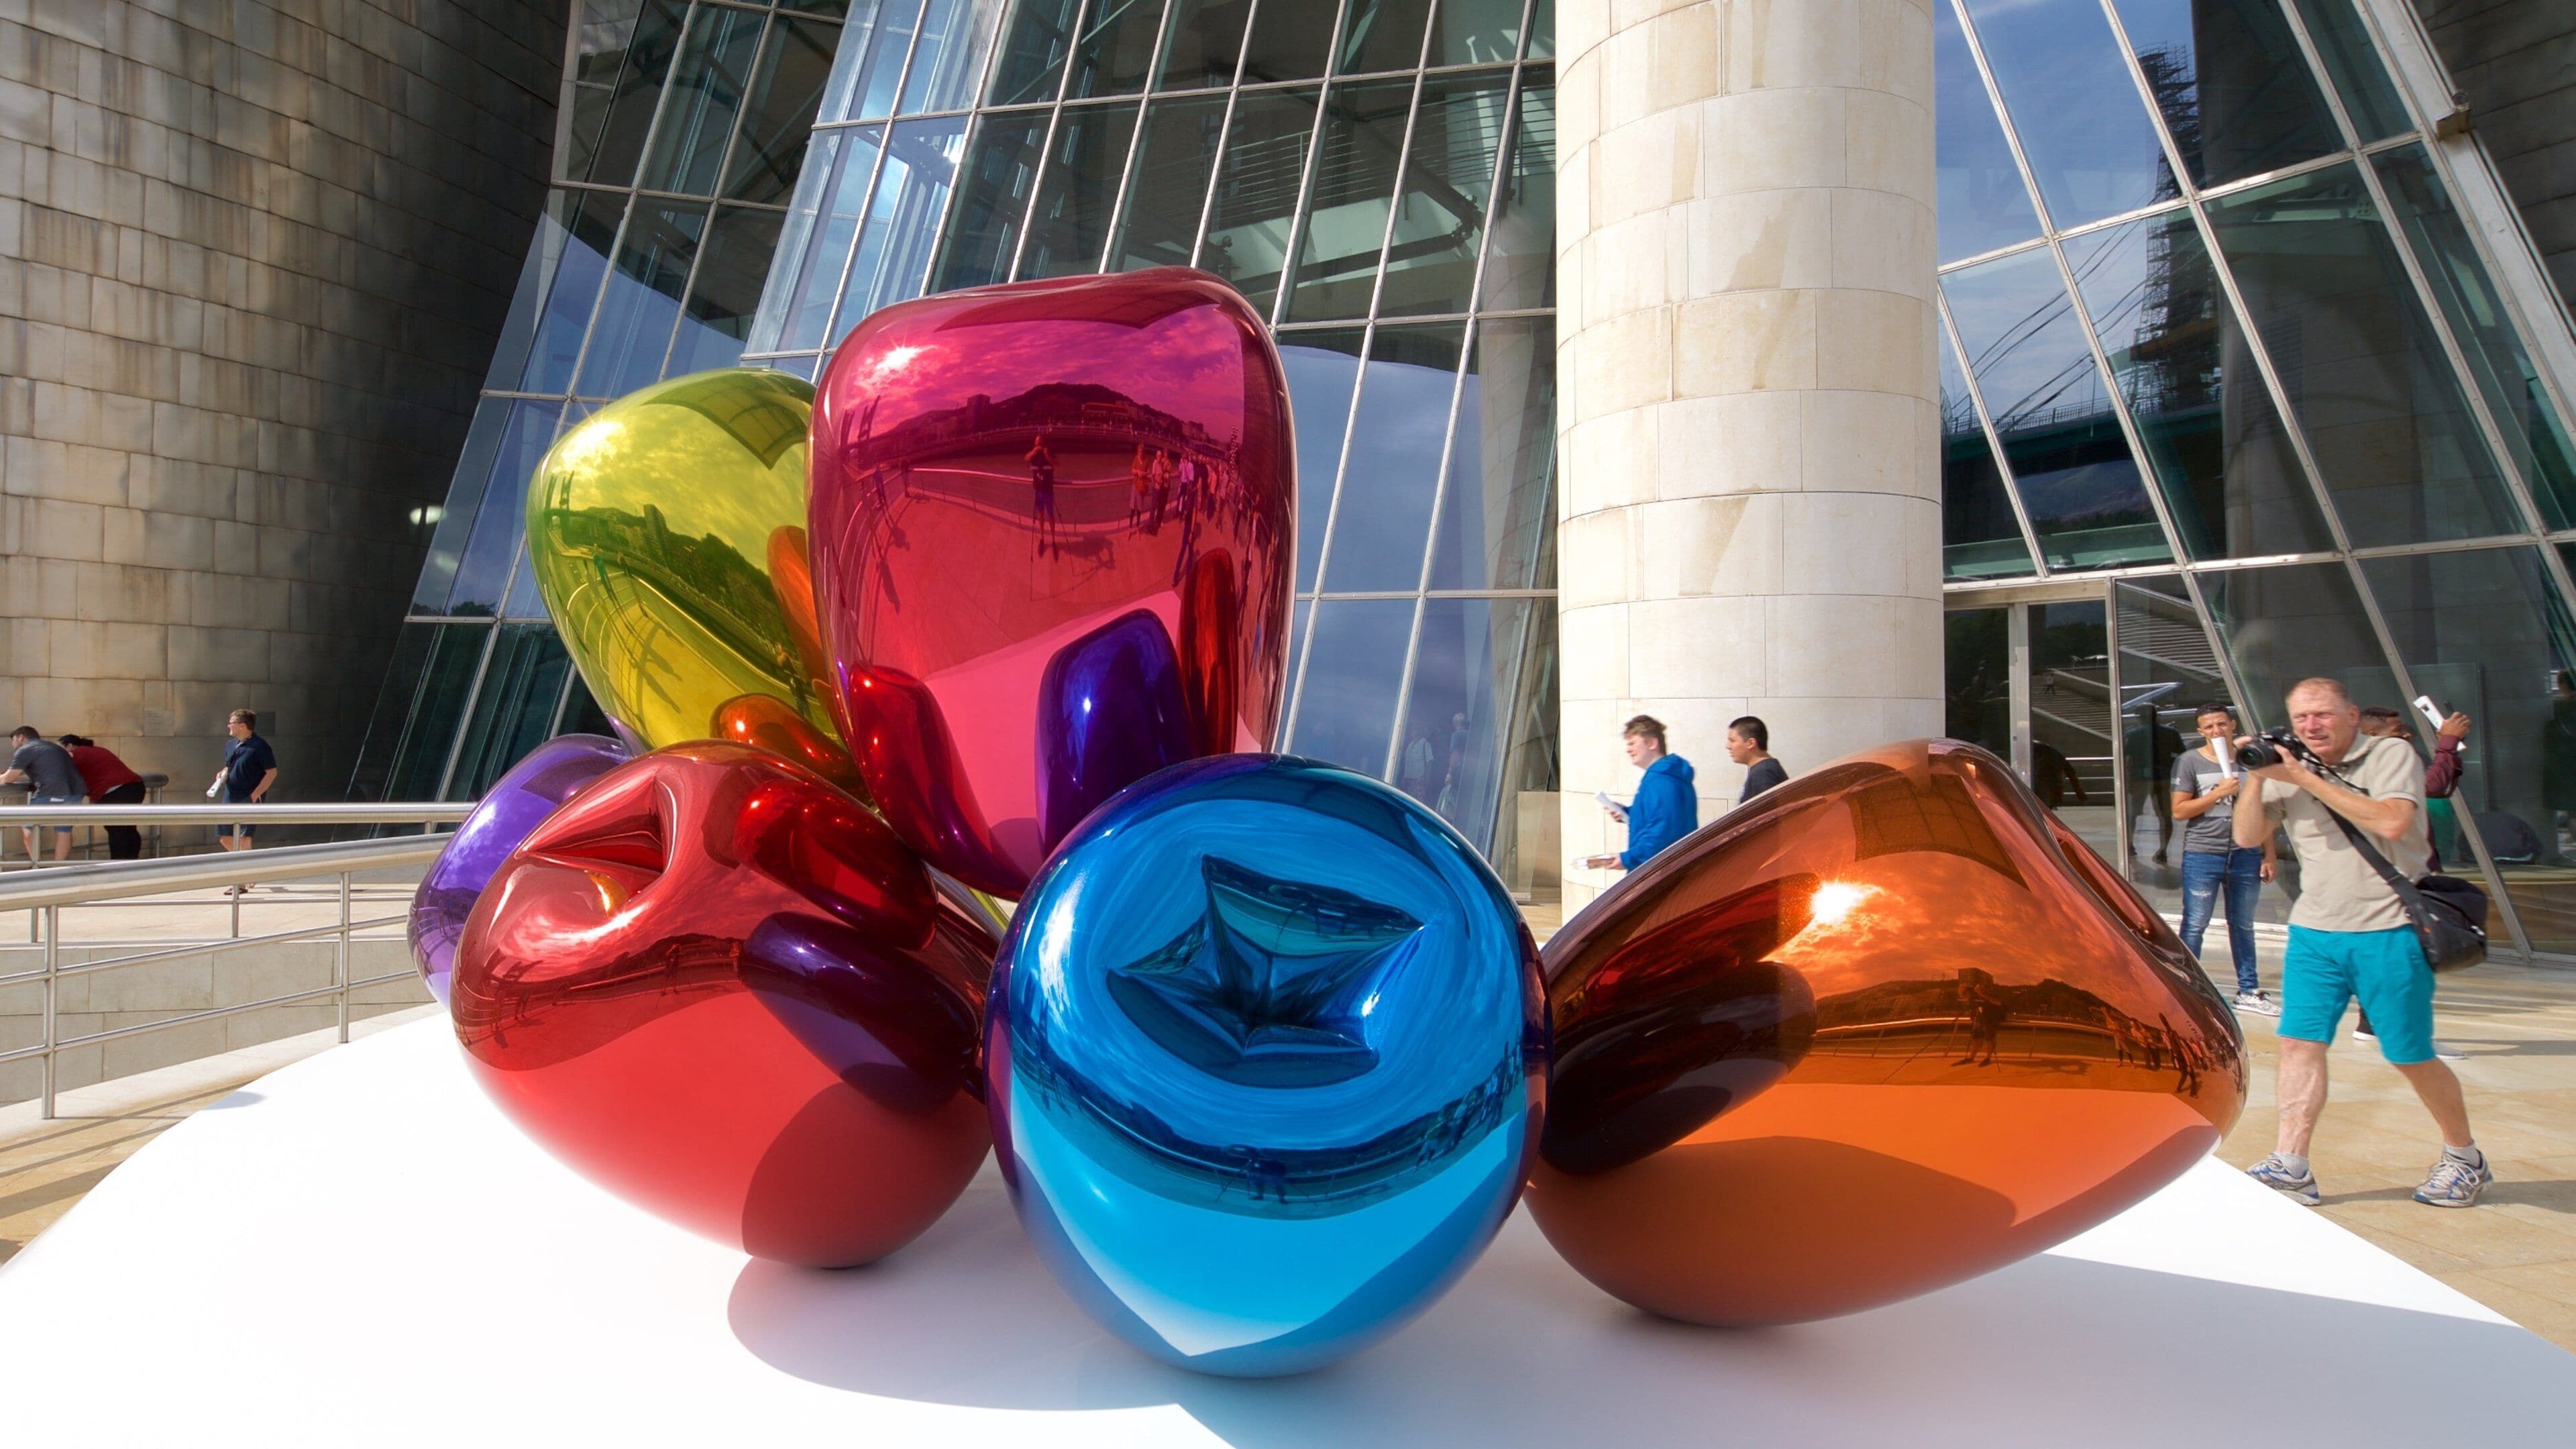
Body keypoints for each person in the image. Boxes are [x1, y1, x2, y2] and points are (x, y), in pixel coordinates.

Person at [2237, 678, 2489, 1210]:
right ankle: (2292, 1164)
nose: (2312, 726)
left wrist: (2302, 775)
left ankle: (2464, 1156)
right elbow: (2244, 836)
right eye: (2302, 717)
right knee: (2298, 1045)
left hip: (2389, 929)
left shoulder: (2390, 753)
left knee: (2408, 1053)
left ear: (2352, 715)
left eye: (2323, 715)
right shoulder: (2288, 764)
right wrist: (2256, 777)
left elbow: (2395, 821)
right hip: (2314, 932)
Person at [2169, 704, 2279, 1017]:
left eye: (2221, 724)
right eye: (2209, 727)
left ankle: (2248, 990)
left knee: (2243, 925)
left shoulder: (2252, 760)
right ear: (2201, 731)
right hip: (2203, 853)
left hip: (2246, 855)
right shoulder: (2189, 761)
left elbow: (2265, 811)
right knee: (2195, 924)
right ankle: (2187, 988)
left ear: (2233, 725)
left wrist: (2268, 854)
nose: (2217, 731)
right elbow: (2179, 811)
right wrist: (2218, 793)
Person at [1580, 715, 1697, 872]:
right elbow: (1660, 820)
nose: (1628, 749)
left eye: (1633, 743)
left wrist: (1628, 859)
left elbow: (1662, 832)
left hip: (1660, 874)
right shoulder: (1664, 777)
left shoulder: (1661, 781)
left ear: (1652, 744)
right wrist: (1628, 813)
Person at [2, 727, 86, 863]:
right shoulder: (52, 747)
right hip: (75, 792)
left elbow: (9, 778)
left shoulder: (25, 749)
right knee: (64, 829)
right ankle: (57, 869)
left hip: (52, 792)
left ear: (21, 737)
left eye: (13, 740)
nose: (13, 745)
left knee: (29, 826)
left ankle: (37, 864)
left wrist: (3, 777)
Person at [59, 735, 146, 860]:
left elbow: (61, 773)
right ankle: (132, 862)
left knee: (116, 829)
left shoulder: (75, 754)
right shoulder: (97, 750)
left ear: (70, 746)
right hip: (135, 787)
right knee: (129, 828)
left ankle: (118, 865)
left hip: (114, 791)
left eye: (60, 748)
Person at [211, 710, 278, 867]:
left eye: (232, 723)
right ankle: (250, 866)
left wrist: (255, 796)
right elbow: (231, 766)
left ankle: (241, 878)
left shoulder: (260, 746)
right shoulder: (231, 745)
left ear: (242, 726)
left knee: (243, 837)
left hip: (249, 797)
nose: (228, 726)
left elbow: (272, 773)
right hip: (230, 796)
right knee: (225, 837)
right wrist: (224, 772)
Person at [1727, 716, 1786, 803]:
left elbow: (1768, 814)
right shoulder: (1764, 770)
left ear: (1751, 743)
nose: (1728, 746)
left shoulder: (1763, 774)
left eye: (1732, 741)